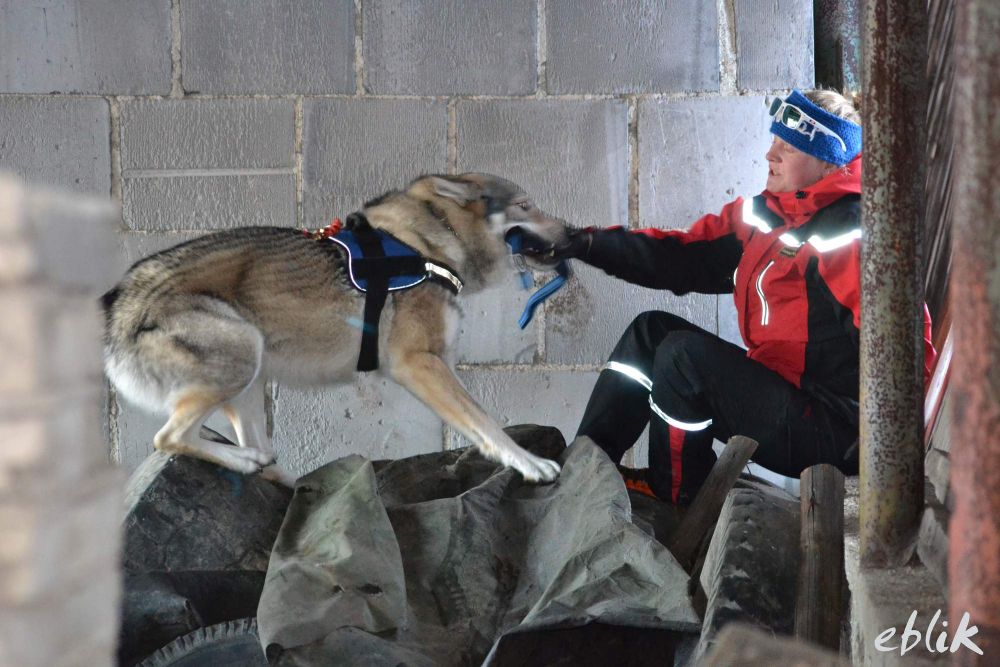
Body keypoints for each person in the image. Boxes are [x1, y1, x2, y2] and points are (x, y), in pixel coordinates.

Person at [523, 89, 936, 505]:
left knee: (685, 360)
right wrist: (580, 243)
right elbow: (677, 257)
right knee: (652, 331)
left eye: (787, 148)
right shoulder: (767, 217)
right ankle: (587, 472)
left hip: (838, 429)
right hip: (788, 394)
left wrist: (891, 450)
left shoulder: (853, 235)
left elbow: (904, 347)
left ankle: (676, 498)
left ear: (826, 161)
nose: (769, 156)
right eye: (773, 142)